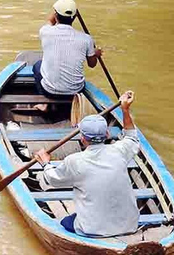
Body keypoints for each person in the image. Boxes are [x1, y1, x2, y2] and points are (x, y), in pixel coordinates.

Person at [35, 91, 140, 237]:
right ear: (107, 134)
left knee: (66, 222)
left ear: (83, 139)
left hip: (93, 230)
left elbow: (53, 179)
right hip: (130, 225)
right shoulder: (119, 150)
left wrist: (45, 163)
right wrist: (125, 109)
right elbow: (132, 137)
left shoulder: (75, 161)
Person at [32, 0, 102, 98]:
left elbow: (51, 21)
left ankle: (44, 102)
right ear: (75, 16)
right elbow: (92, 64)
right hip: (76, 92)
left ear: (56, 15)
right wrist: (95, 54)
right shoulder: (87, 39)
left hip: (49, 91)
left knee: (37, 65)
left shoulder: (45, 31)